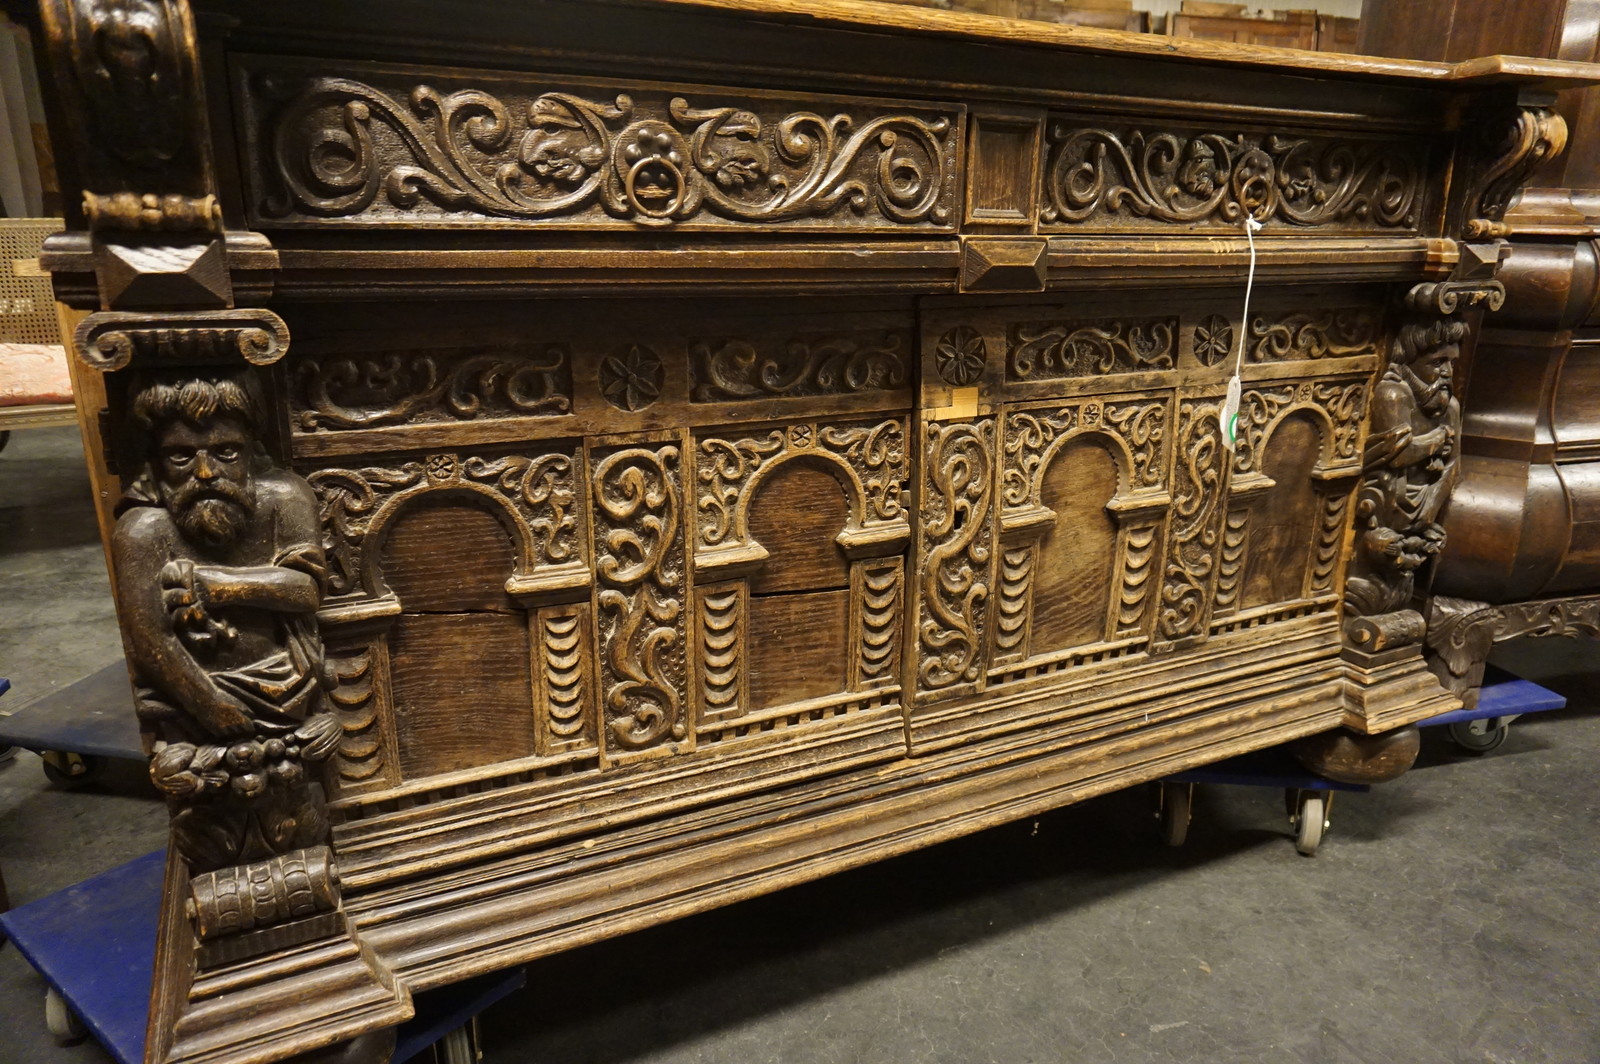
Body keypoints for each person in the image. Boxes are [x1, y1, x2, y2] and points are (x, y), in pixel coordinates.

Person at [113, 375, 339, 872]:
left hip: (290, 690)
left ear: (251, 449)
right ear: (155, 460)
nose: (206, 471)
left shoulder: (284, 499)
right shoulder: (144, 530)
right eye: (181, 456)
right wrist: (209, 703)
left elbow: (305, 590)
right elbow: (149, 638)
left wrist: (214, 584)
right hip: (212, 710)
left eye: (226, 452)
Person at [1344, 316, 1466, 620]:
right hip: (1387, 497)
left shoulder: (1449, 406)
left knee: (1405, 552)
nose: (1447, 373)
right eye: (1438, 362)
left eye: (1452, 363)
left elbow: (1454, 464)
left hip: (1421, 503)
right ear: (1410, 360)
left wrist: (1432, 508)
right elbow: (1396, 454)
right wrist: (1436, 440)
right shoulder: (1393, 394)